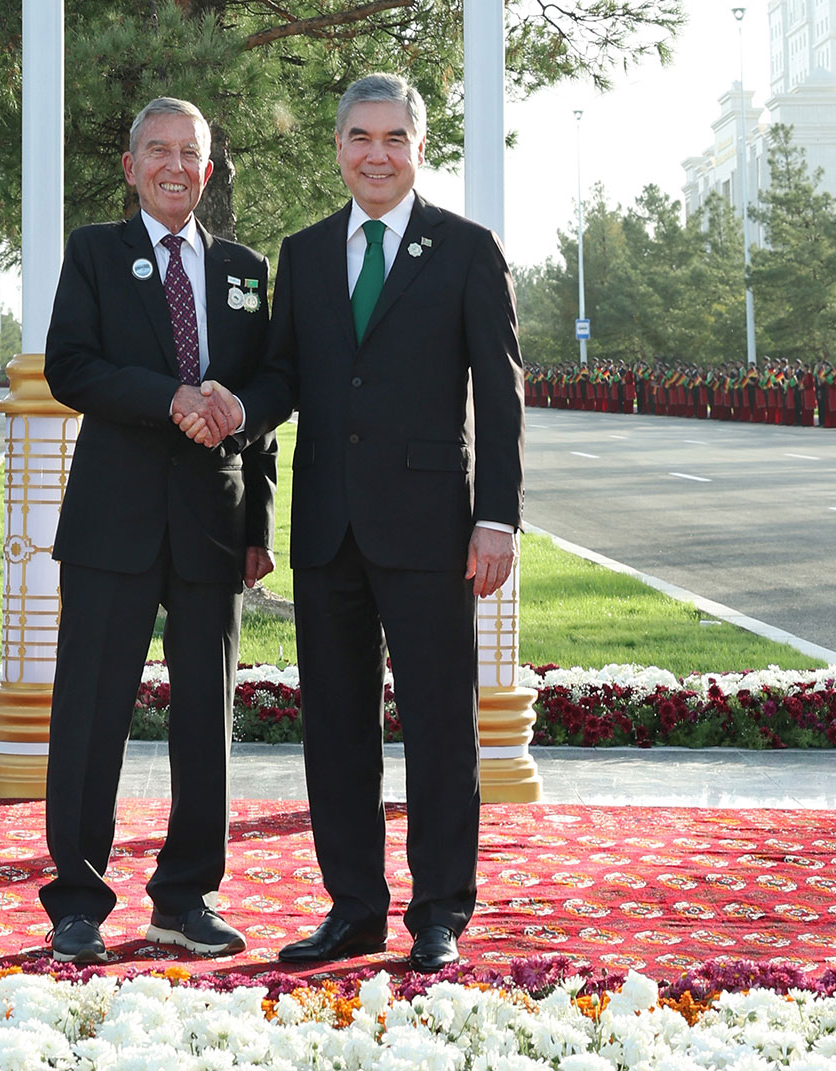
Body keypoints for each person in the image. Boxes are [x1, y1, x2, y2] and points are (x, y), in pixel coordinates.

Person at [189, 73, 523, 972]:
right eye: (360, 137)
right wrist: (235, 403)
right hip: (329, 529)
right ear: (338, 147)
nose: (377, 154)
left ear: (420, 145)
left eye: (394, 138)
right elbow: (284, 377)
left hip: (432, 530)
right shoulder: (300, 255)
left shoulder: (465, 249)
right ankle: (354, 909)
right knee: (334, 727)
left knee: (439, 723)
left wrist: (497, 517)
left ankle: (441, 912)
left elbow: (500, 394)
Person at [39, 96, 276, 966]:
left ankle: (185, 898)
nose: (176, 166)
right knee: (92, 710)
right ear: (132, 165)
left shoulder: (246, 269)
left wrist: (259, 519)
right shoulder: (96, 252)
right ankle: (76, 901)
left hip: (213, 525)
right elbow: (70, 365)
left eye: (192, 153)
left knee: (205, 719)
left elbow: (263, 398)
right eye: (158, 150)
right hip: (113, 521)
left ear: (208, 171)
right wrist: (166, 397)